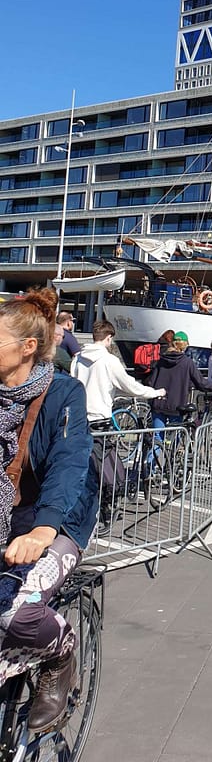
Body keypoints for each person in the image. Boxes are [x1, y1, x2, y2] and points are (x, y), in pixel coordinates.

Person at [0, 288, 99, 731]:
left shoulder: (63, 393)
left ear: (28, 348)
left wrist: (43, 529)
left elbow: (69, 461)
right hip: (8, 516)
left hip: (58, 517)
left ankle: (60, 655)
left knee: (15, 613)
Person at [71, 320, 166, 426]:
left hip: (77, 415)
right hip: (99, 417)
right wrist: (155, 393)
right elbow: (129, 385)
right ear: (109, 337)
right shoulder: (110, 360)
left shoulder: (78, 358)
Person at [145, 332, 212, 440]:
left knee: (157, 439)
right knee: (175, 436)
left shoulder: (161, 361)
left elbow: (151, 381)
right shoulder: (187, 363)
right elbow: (201, 383)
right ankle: (172, 455)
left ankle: (152, 457)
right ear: (185, 345)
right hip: (176, 405)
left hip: (159, 403)